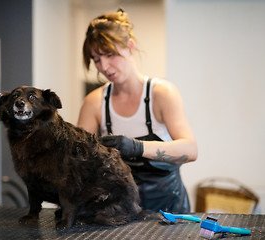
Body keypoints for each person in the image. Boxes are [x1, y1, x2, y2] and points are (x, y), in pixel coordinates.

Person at [77, 9, 198, 213]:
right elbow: (78, 160)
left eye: (110, 54)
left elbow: (191, 150)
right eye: (96, 59)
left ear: (130, 47)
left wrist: (137, 148)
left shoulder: (161, 93)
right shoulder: (94, 102)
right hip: (119, 211)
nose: (104, 66)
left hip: (169, 209)